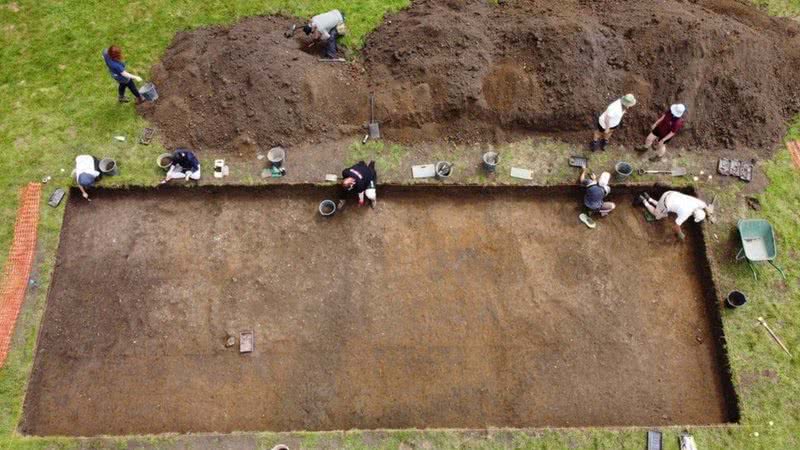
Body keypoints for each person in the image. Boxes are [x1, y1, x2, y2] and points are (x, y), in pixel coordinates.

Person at [638, 190, 714, 240]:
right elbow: (676, 225)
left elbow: (705, 206)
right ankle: (644, 200)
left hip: (670, 194)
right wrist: (680, 233)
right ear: (694, 216)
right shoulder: (686, 213)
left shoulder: (699, 203)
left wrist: (709, 216)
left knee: (662, 209)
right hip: (666, 202)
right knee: (657, 215)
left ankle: (649, 198)